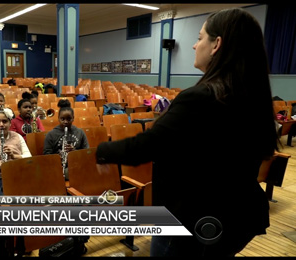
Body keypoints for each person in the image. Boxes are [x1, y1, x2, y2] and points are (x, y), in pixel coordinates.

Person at [95, 8, 278, 257]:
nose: (193, 46)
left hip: (191, 219)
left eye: (200, 37)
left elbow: (149, 145)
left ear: (217, 45)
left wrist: (100, 151)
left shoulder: (200, 97)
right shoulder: (253, 98)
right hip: (239, 216)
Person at [0, 108, 32, 194]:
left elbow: (29, 158)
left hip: (19, 175)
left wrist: (14, 156)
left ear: (10, 123)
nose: (1, 124)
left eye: (4, 121)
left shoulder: (17, 136)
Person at [43, 99, 89, 180]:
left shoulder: (80, 132)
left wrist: (74, 152)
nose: (65, 122)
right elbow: (47, 156)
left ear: (73, 118)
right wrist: (58, 157)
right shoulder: (51, 134)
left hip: (77, 165)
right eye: (62, 119)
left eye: (69, 119)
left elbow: (86, 153)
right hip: (58, 167)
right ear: (58, 118)